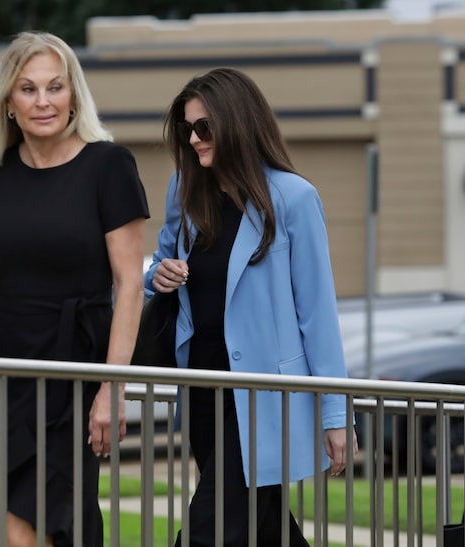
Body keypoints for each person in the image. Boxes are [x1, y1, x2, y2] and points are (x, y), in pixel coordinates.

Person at [0, 31, 148, 547]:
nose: (43, 101)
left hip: (72, 373)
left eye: (55, 87)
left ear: (74, 95)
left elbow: (130, 283)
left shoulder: (108, 166)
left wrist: (111, 390)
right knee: (20, 525)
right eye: (28, 89)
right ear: (8, 101)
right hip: (9, 372)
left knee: (35, 525)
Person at [144, 67, 356, 546]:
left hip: (265, 398)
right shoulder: (185, 190)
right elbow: (157, 268)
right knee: (261, 527)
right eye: (187, 129)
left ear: (236, 122)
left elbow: (317, 315)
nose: (195, 139)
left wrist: (336, 416)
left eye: (204, 127)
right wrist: (157, 276)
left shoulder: (294, 198)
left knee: (211, 528)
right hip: (202, 388)